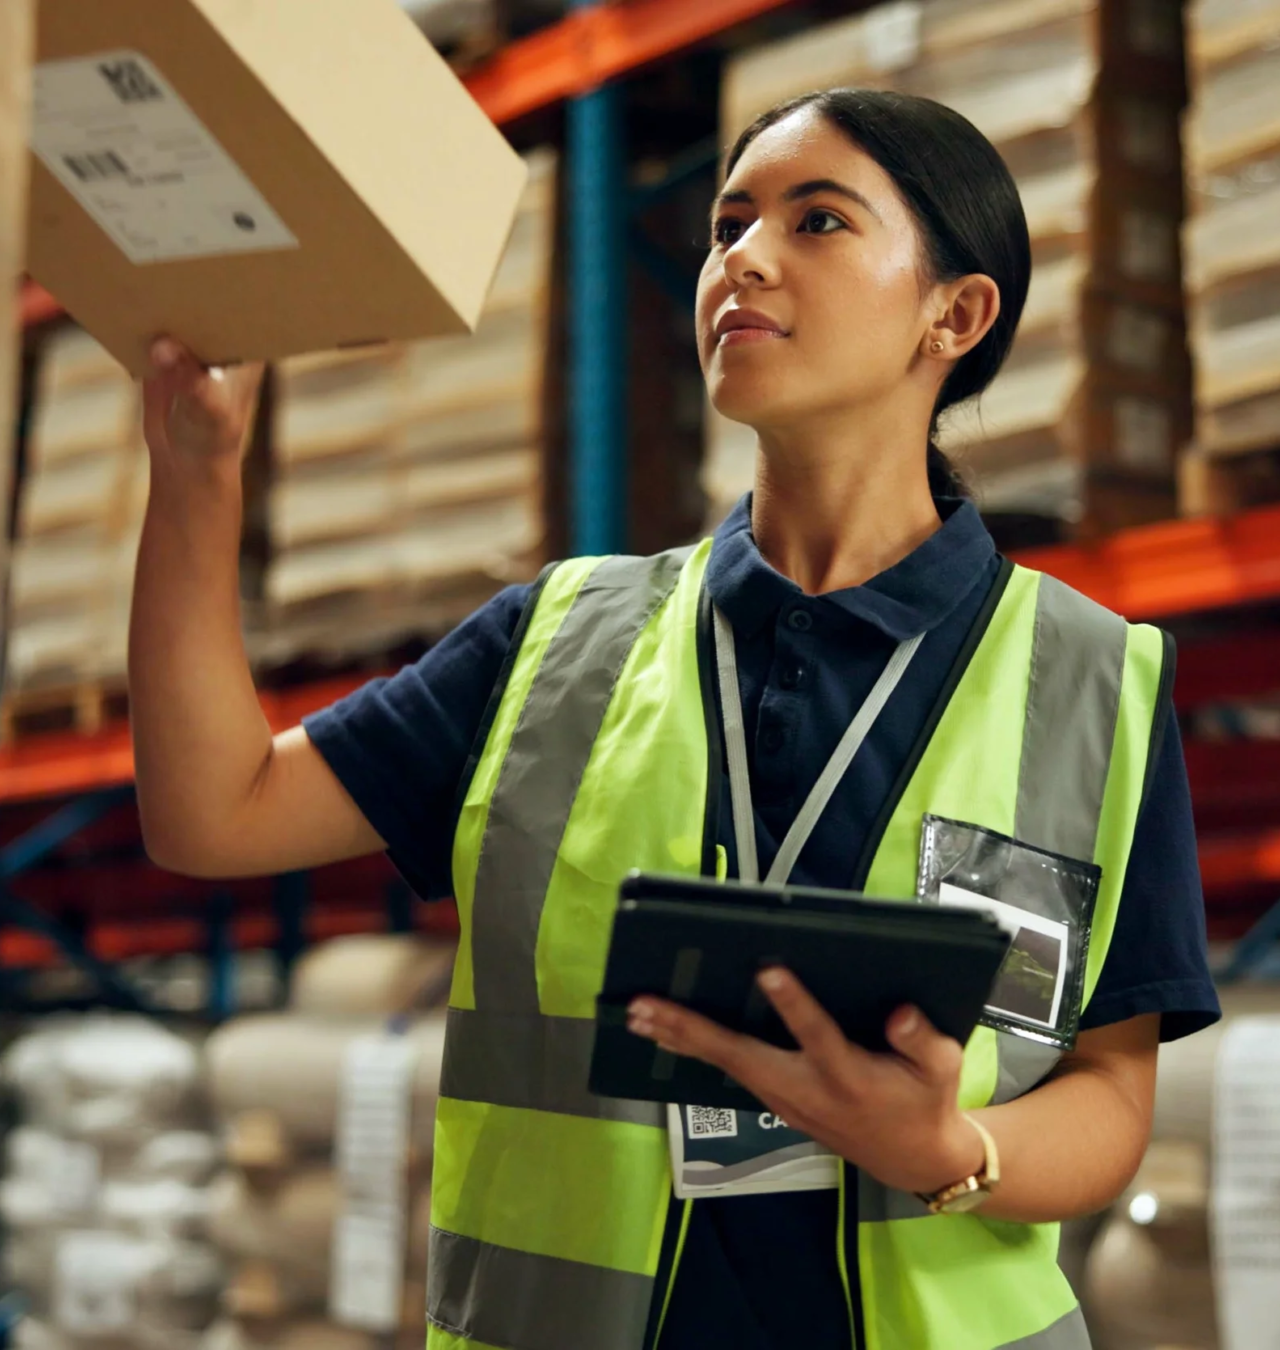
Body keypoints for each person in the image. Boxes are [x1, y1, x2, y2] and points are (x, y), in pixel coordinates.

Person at [128, 88, 1218, 1350]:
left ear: (953, 315)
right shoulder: (555, 643)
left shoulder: (1093, 684)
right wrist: (199, 483)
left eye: (817, 221)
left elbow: (1107, 1092)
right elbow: (211, 812)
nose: (740, 257)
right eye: (727, 224)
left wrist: (949, 1147)